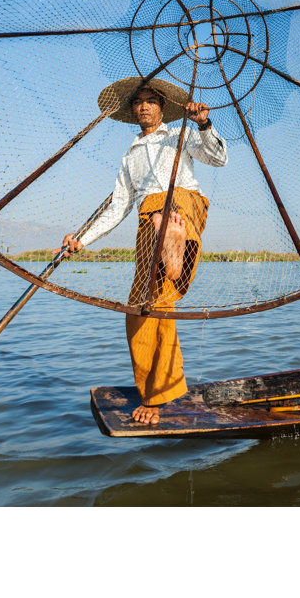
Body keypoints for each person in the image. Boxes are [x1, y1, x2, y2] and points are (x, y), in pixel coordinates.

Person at [60, 77, 227, 424]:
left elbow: (218, 158)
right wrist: (82, 239)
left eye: (151, 100)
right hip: (149, 227)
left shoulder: (179, 135)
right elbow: (118, 207)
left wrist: (204, 124)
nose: (144, 106)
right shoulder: (130, 156)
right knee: (142, 309)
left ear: (163, 108)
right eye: (139, 101)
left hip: (184, 206)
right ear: (132, 110)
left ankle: (172, 243)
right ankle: (158, 390)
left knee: (165, 205)